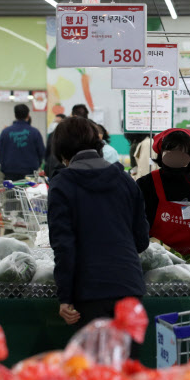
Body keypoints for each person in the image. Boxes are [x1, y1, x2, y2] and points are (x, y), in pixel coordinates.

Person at [48, 117, 149, 343]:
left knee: (97, 372)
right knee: (126, 369)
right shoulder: (125, 180)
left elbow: (64, 246)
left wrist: (65, 297)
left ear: (62, 152)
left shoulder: (62, 184)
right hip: (129, 286)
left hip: (89, 289)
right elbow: (141, 240)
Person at [137, 129, 190, 276]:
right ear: (161, 153)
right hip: (153, 269)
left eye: (181, 152)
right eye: (170, 151)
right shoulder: (146, 185)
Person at [0, 104, 45, 181]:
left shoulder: (5, 132)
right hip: (30, 172)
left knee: (11, 192)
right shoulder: (35, 132)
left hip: (10, 172)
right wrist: (36, 164)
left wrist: (5, 165)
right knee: (28, 192)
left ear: (15, 115)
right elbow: (41, 152)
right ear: (28, 115)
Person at [45, 113, 67, 178]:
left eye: (58, 122)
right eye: (55, 121)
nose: (55, 124)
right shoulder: (51, 135)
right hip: (52, 167)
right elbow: (47, 153)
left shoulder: (68, 135)